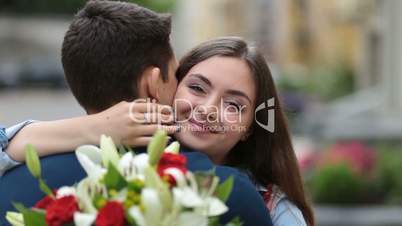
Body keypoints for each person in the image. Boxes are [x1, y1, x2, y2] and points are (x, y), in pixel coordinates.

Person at [0, 1, 273, 226]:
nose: (207, 110)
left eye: (234, 105)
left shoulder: (13, 179)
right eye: (182, 79)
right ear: (154, 83)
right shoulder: (220, 192)